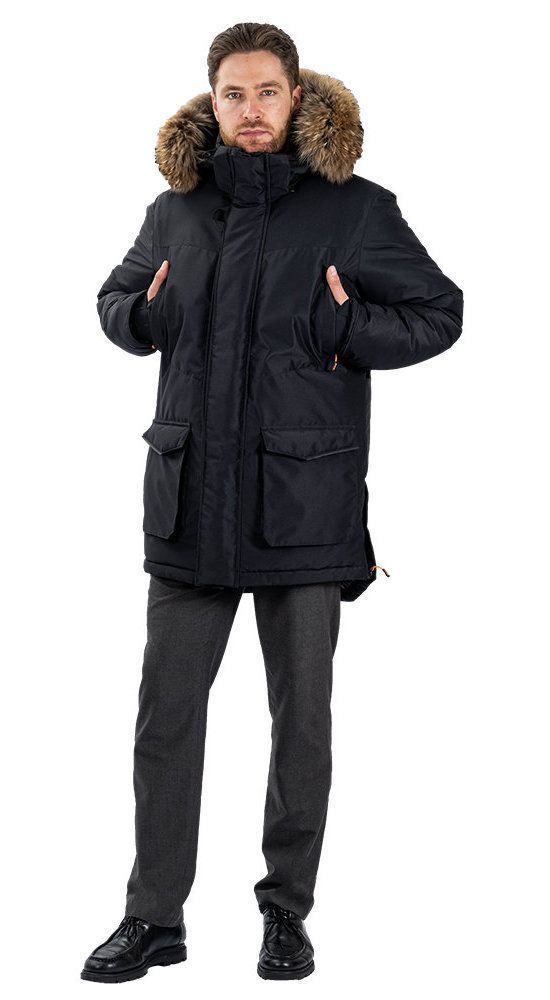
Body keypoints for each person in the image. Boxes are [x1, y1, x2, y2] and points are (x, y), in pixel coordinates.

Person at [81, 21, 463, 984]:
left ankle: (285, 913)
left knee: (302, 724)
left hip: (304, 503)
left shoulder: (355, 209)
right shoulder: (176, 209)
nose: (250, 110)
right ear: (211, 103)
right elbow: (115, 304)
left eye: (266, 92)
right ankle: (153, 918)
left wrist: (346, 324)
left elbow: (440, 313)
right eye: (233, 94)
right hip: (189, 505)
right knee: (166, 717)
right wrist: (147, 314)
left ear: (297, 97)